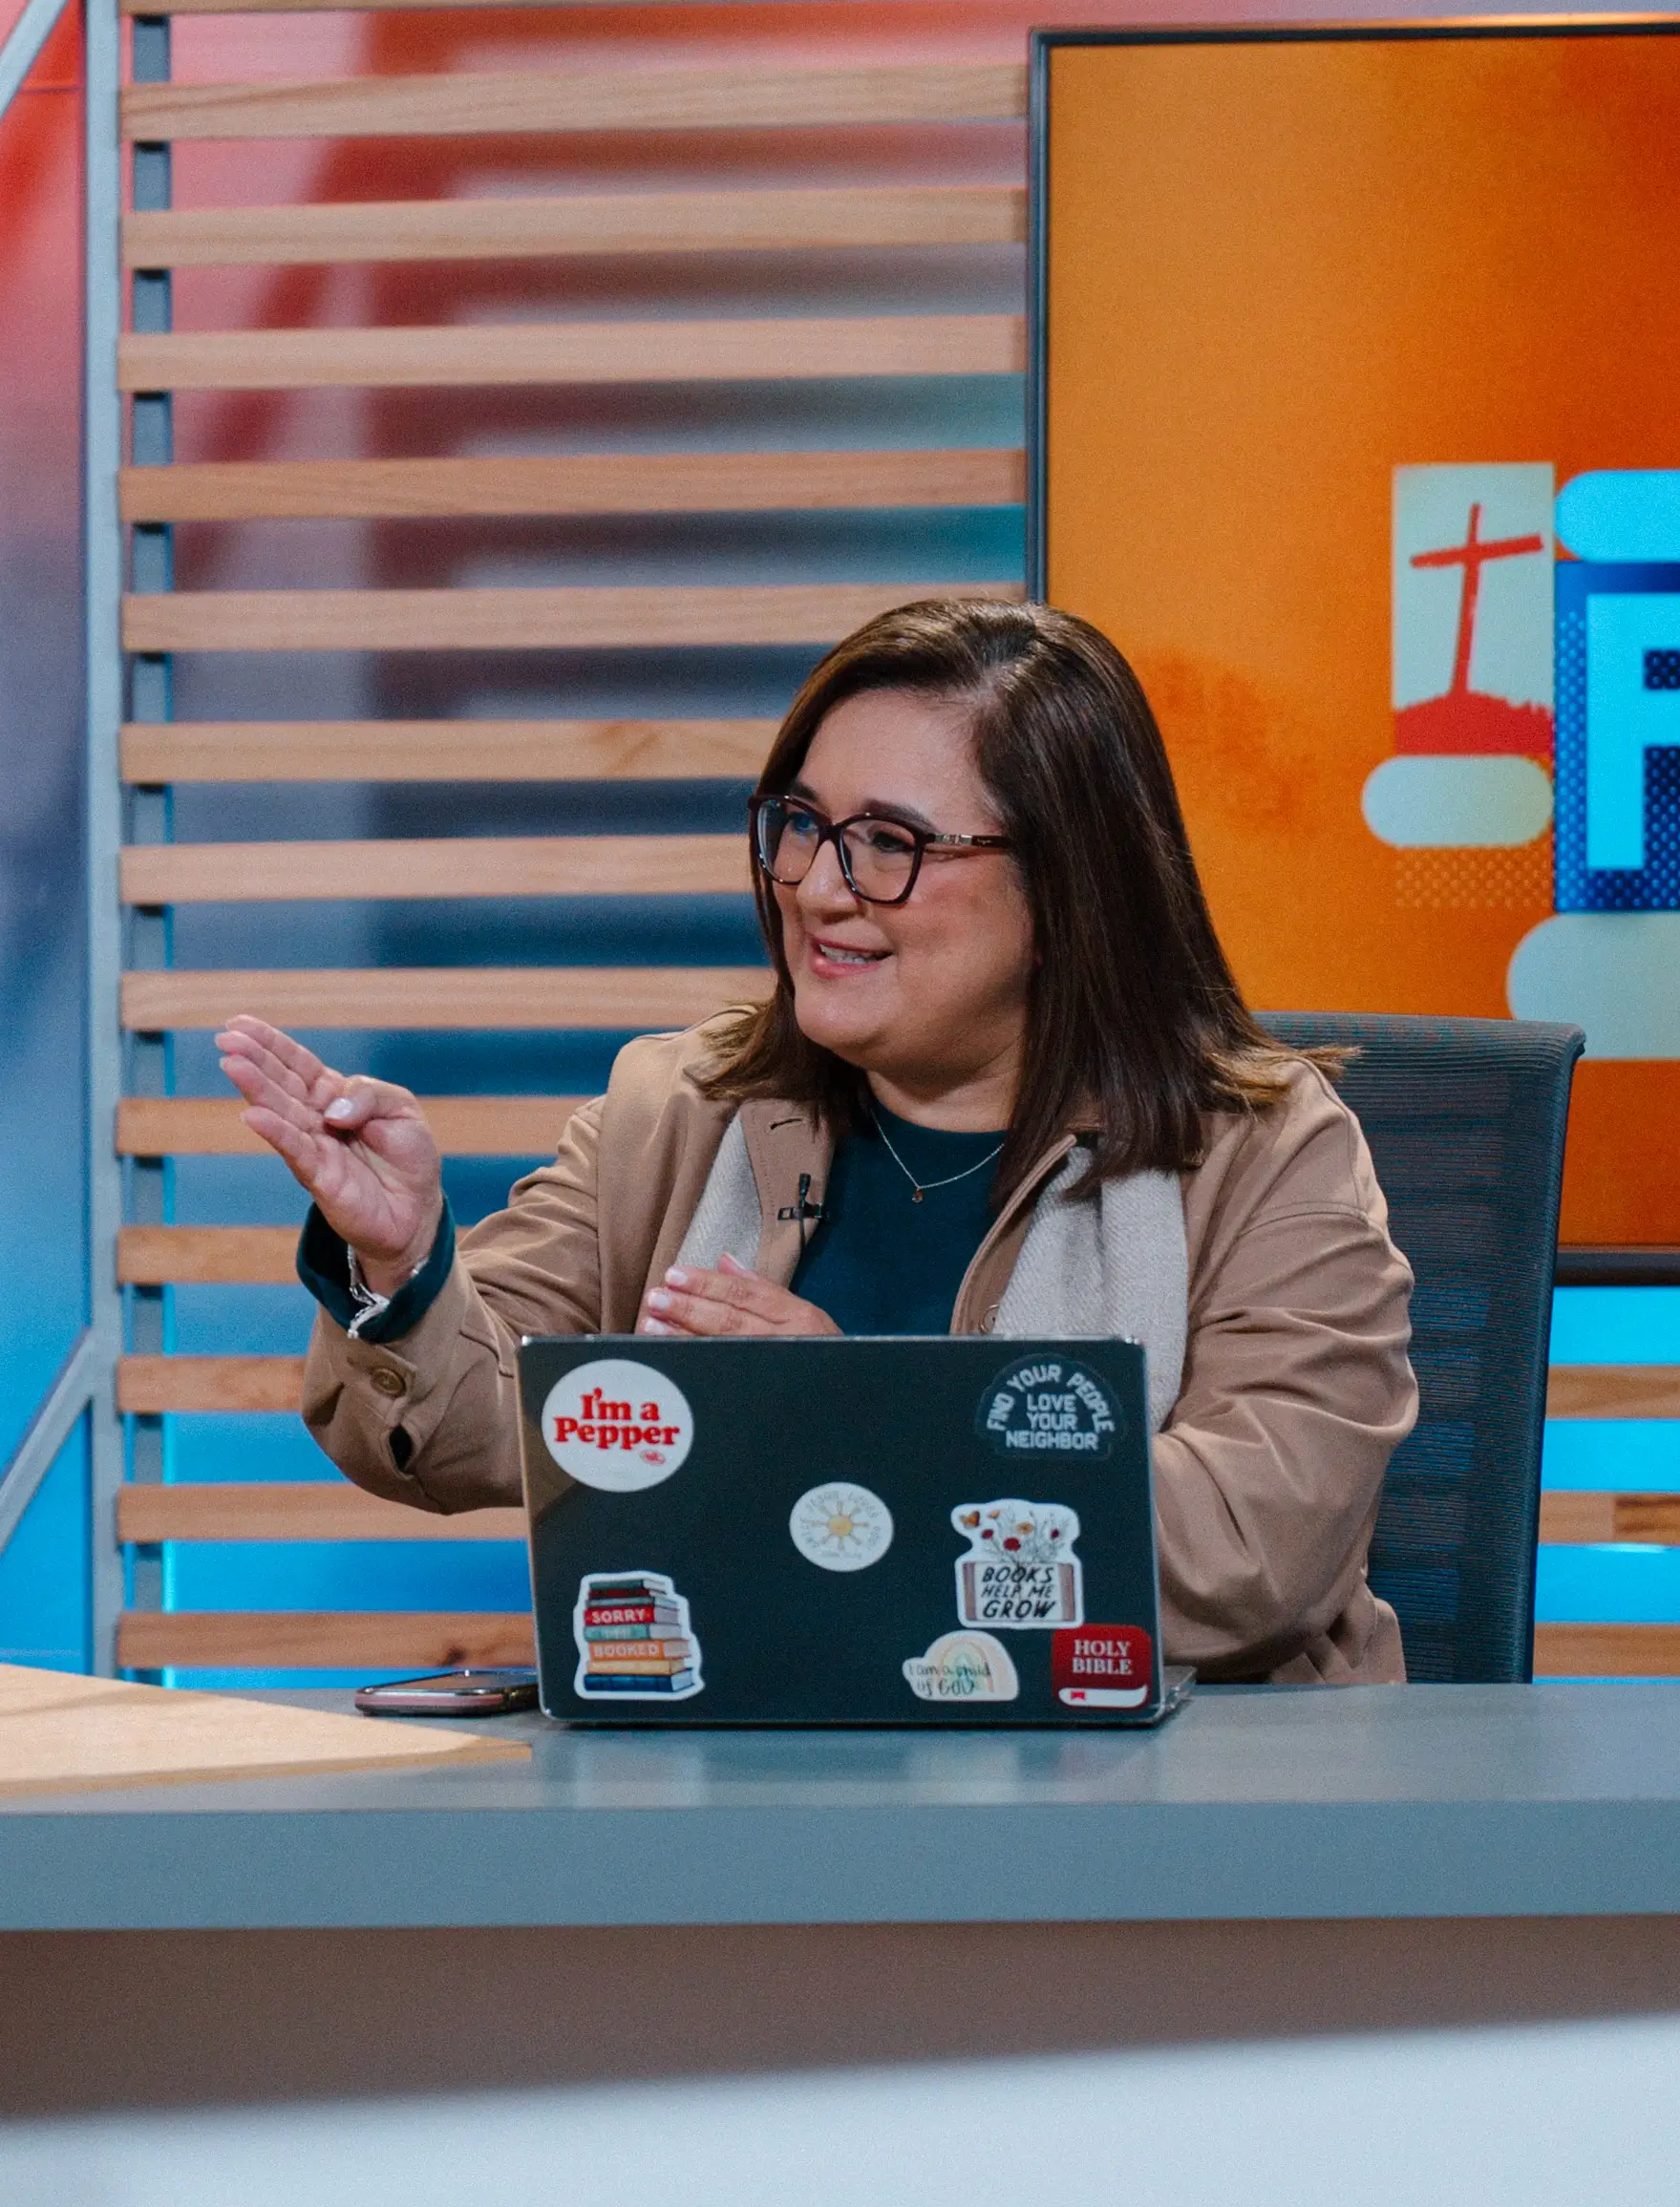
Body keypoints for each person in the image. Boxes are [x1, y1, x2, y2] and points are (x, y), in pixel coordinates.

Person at [219, 600, 1417, 1685]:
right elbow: (463, 1435)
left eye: (889, 842)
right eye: (800, 824)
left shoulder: (1263, 1152)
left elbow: (1259, 1548)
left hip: (1147, 1812)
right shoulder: (679, 1109)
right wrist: (404, 1267)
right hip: (745, 1784)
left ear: (1065, 893)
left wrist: (851, 1423)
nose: (818, 888)